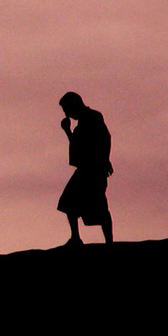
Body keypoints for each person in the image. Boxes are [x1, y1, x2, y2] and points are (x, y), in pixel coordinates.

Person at [57, 92, 114, 246]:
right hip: (85, 168)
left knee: (99, 204)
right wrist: (67, 131)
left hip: (94, 169)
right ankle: (76, 237)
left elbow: (104, 139)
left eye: (67, 109)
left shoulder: (93, 117)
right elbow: (77, 145)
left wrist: (104, 159)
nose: (67, 113)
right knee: (69, 201)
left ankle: (109, 242)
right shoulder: (82, 123)